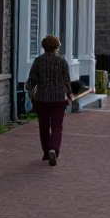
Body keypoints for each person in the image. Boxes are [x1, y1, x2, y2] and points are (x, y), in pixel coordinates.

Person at [26, 35, 73, 166]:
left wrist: (28, 88)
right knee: (57, 126)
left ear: (43, 46)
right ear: (57, 46)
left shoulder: (38, 61)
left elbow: (32, 81)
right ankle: (54, 148)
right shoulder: (62, 61)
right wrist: (69, 94)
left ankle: (46, 152)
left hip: (42, 99)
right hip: (58, 98)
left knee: (44, 126)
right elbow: (67, 80)